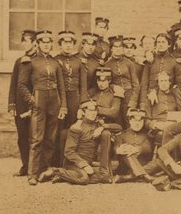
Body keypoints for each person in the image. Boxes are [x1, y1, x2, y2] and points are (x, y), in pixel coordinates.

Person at [17, 30, 67, 185]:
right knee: (37, 138)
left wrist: (63, 106)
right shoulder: (29, 61)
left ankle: (44, 170)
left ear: (51, 44)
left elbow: (61, 87)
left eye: (48, 42)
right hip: (39, 99)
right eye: (43, 42)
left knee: (51, 138)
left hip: (54, 101)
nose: (46, 45)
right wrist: (32, 100)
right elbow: (22, 85)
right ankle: (32, 173)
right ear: (37, 44)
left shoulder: (55, 63)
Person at [38, 100, 113, 185]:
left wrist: (103, 127)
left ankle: (66, 177)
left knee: (106, 177)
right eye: (90, 110)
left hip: (88, 163)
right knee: (84, 179)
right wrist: (84, 165)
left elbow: (118, 127)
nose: (93, 113)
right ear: (83, 112)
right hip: (73, 164)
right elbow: (68, 152)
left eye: (95, 110)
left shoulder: (97, 125)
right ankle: (55, 171)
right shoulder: (76, 127)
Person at [54, 30, 88, 166]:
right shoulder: (55, 60)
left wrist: (82, 105)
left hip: (74, 98)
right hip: (59, 98)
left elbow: (83, 86)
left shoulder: (79, 62)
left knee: (73, 129)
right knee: (58, 129)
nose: (68, 45)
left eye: (70, 43)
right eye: (65, 42)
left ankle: (72, 160)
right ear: (60, 45)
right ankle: (57, 161)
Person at [7, 29, 37, 177]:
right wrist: (11, 104)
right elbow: (13, 84)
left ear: (35, 43)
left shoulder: (38, 61)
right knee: (22, 136)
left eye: (27, 40)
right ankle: (25, 166)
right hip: (20, 104)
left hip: (36, 102)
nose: (24, 43)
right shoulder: (19, 61)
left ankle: (36, 166)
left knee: (36, 136)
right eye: (23, 41)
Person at [105, 35, 140, 127]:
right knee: (117, 122)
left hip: (129, 95)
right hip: (115, 96)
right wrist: (113, 87)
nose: (118, 49)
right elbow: (105, 83)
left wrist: (132, 102)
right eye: (115, 47)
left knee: (129, 122)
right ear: (111, 49)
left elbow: (136, 85)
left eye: (120, 46)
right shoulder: (107, 64)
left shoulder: (129, 63)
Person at [113, 108, 154, 183]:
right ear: (130, 121)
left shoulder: (147, 135)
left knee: (129, 150)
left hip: (143, 165)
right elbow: (115, 147)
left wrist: (136, 149)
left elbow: (148, 148)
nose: (137, 123)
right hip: (126, 167)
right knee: (126, 151)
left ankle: (126, 178)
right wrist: (119, 150)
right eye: (135, 120)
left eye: (140, 121)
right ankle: (143, 175)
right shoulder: (122, 135)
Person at [140, 33, 180, 108]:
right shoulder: (150, 60)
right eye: (158, 42)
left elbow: (177, 84)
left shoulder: (174, 61)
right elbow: (144, 83)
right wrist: (143, 103)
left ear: (169, 45)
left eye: (163, 42)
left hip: (167, 99)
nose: (160, 44)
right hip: (150, 97)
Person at [143, 71, 179, 145]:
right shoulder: (151, 97)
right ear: (158, 83)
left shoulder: (175, 95)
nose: (163, 83)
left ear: (170, 82)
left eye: (165, 80)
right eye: (161, 81)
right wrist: (156, 124)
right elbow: (146, 119)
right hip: (158, 127)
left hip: (173, 125)